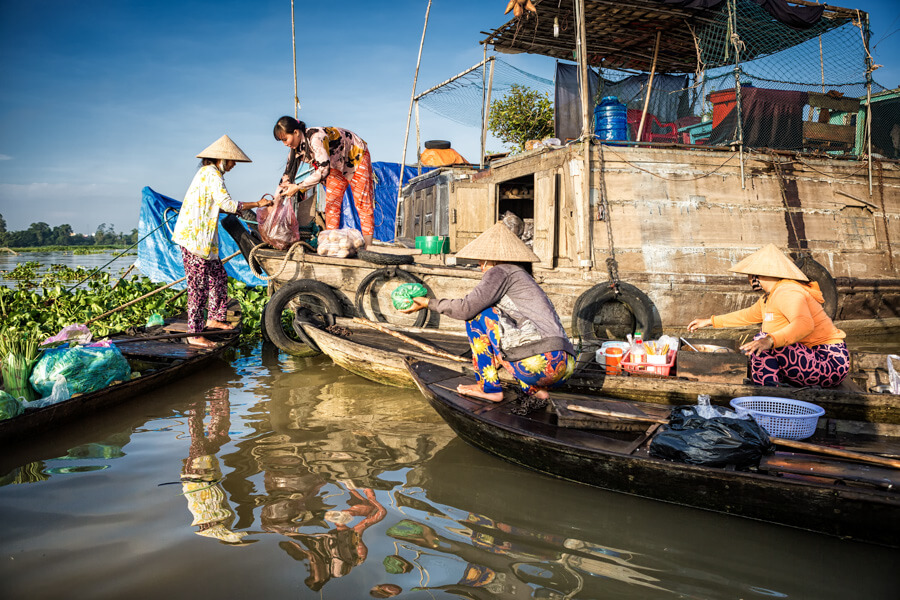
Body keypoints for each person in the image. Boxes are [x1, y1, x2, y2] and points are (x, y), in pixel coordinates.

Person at [402, 222, 575, 402]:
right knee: (504, 325)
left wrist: (427, 303)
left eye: (481, 259)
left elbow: (465, 308)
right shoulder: (521, 275)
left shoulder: (501, 271)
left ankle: (489, 388)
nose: (479, 264)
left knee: (475, 315)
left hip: (539, 365)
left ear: (491, 258)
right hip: (565, 366)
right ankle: (536, 390)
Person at [687, 244, 849, 388]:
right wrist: (710, 321)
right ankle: (769, 389)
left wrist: (769, 340)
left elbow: (804, 324)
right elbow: (746, 315)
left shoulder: (788, 291)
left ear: (757, 275)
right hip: (809, 359)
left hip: (829, 362)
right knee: (758, 344)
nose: (749, 279)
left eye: (750, 274)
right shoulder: (769, 297)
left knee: (762, 340)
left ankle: (769, 394)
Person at [172, 135, 273, 348]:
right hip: (194, 238)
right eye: (232, 160)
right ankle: (195, 333)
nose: (234, 164)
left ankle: (215, 318)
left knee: (218, 275)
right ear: (221, 159)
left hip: (204, 238)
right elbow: (226, 204)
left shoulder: (210, 173)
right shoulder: (211, 174)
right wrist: (258, 203)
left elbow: (216, 205)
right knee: (197, 287)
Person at [273, 116, 375, 247]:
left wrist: (298, 187)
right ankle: (331, 246)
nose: (285, 144)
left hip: (355, 157)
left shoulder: (315, 138)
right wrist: (276, 202)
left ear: (296, 132)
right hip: (335, 165)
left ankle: (368, 247)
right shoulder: (295, 151)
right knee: (332, 205)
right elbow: (285, 179)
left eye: (285, 139)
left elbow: (323, 170)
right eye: (282, 141)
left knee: (362, 203)